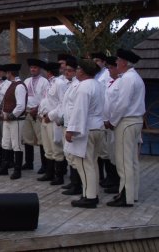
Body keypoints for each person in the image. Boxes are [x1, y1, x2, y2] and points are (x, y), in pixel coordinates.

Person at [105, 49, 144, 207]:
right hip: (134, 120)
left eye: (119, 60)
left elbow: (122, 104)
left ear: (124, 63)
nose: (117, 63)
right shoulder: (133, 77)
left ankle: (126, 196)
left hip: (126, 121)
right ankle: (131, 193)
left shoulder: (128, 78)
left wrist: (112, 121)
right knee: (132, 160)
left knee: (123, 160)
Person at [64, 59, 104, 208]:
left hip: (86, 129)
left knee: (84, 163)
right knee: (92, 163)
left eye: (79, 69)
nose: (77, 71)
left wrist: (71, 130)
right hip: (97, 127)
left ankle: (90, 197)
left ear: (83, 71)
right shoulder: (97, 85)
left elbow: (80, 110)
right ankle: (92, 193)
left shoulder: (84, 87)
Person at [51, 57, 83, 196]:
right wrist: (56, 117)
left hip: (72, 125)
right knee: (68, 155)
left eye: (70, 71)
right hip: (65, 122)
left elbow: (76, 108)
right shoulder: (70, 84)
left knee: (74, 156)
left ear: (76, 71)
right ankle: (73, 182)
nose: (66, 73)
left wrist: (70, 126)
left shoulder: (78, 85)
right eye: (65, 70)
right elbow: (63, 105)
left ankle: (77, 185)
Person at [0, 64, 27, 179]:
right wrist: (2, 113)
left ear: (10, 73)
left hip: (16, 120)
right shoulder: (11, 85)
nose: (5, 75)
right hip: (7, 118)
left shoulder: (19, 86)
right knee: (5, 143)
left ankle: (17, 170)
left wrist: (11, 116)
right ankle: (4, 167)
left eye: (6, 73)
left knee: (16, 145)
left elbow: (21, 106)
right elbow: (5, 101)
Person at [37, 62, 68, 185]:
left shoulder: (60, 84)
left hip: (53, 120)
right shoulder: (50, 83)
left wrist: (51, 115)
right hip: (45, 118)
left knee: (56, 149)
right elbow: (45, 100)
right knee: (47, 148)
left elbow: (62, 103)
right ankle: (49, 173)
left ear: (49, 72)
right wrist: (41, 113)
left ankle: (59, 176)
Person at [22, 59, 49, 173]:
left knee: (41, 139)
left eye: (35, 67)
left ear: (40, 69)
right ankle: (29, 163)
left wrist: (37, 109)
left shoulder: (44, 81)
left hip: (38, 112)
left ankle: (45, 165)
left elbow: (46, 98)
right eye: (31, 67)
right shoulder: (26, 80)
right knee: (27, 138)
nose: (33, 69)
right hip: (27, 111)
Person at [100, 56, 121, 193]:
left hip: (115, 123)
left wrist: (112, 121)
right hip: (107, 123)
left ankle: (117, 182)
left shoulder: (121, 82)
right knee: (110, 153)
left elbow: (120, 104)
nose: (109, 70)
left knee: (116, 154)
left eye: (111, 68)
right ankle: (112, 179)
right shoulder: (110, 82)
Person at [91, 52, 112, 182]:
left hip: (105, 116)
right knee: (97, 151)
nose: (96, 63)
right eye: (94, 60)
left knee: (105, 151)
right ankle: (100, 177)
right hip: (97, 116)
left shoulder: (107, 75)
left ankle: (110, 177)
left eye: (98, 60)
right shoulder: (94, 75)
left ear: (104, 62)